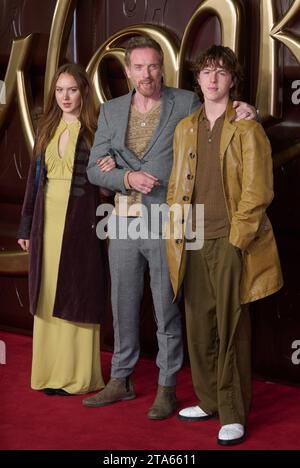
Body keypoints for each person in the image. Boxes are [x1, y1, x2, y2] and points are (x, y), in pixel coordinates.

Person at [83, 36, 256, 419]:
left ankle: (167, 387)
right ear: (128, 71)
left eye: (154, 66)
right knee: (122, 306)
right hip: (124, 221)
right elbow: (96, 167)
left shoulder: (186, 103)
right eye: (139, 67)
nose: (147, 74)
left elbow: (219, 119)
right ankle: (121, 379)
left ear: (163, 68)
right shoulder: (111, 111)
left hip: (172, 221)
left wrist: (248, 110)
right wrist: (127, 179)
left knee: (168, 309)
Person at [166, 45, 283, 443]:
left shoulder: (247, 127)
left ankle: (233, 412)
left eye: (220, 72)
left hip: (232, 240)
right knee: (199, 325)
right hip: (192, 240)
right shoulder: (185, 128)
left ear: (233, 79)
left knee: (232, 328)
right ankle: (209, 399)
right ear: (197, 80)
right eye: (206, 72)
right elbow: (174, 187)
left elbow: (258, 190)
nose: (212, 79)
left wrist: (239, 238)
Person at [17, 63, 113, 395]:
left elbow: (106, 187)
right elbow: (33, 183)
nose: (65, 97)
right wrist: (26, 227)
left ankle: (77, 377)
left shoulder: (96, 130)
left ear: (83, 92)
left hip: (81, 225)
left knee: (77, 294)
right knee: (46, 294)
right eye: (59, 90)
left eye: (72, 89)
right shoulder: (47, 128)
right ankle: (49, 373)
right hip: (47, 224)